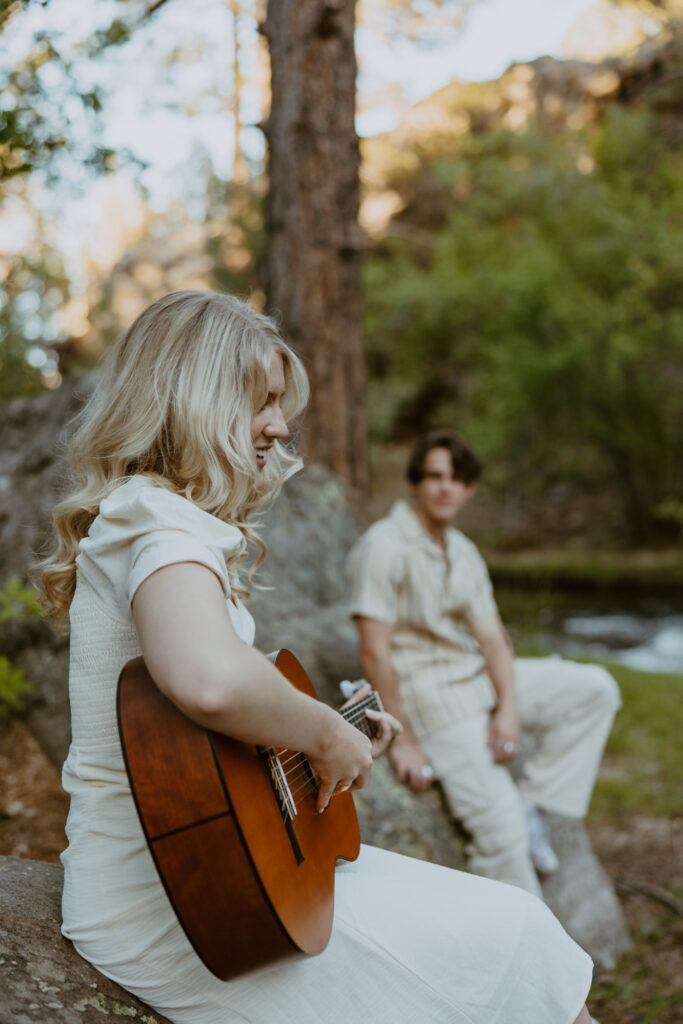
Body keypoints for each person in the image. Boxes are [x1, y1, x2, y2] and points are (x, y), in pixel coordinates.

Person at [40, 292, 596, 1024]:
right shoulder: (158, 522)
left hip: (203, 874)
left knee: (513, 928)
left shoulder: (151, 515)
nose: (279, 424)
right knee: (517, 936)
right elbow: (205, 680)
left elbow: (204, 745)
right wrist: (327, 733)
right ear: (195, 400)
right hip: (174, 906)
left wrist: (329, 736)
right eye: (261, 401)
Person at [347, 430, 622, 899]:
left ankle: (535, 805)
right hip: (433, 705)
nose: (445, 488)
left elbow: (494, 639)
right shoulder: (384, 545)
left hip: (476, 681)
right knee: (503, 838)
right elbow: (374, 651)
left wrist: (509, 710)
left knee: (595, 689)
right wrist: (403, 742)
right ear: (416, 482)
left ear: (470, 489)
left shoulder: (463, 550)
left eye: (457, 479)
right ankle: (517, 959)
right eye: (434, 476)